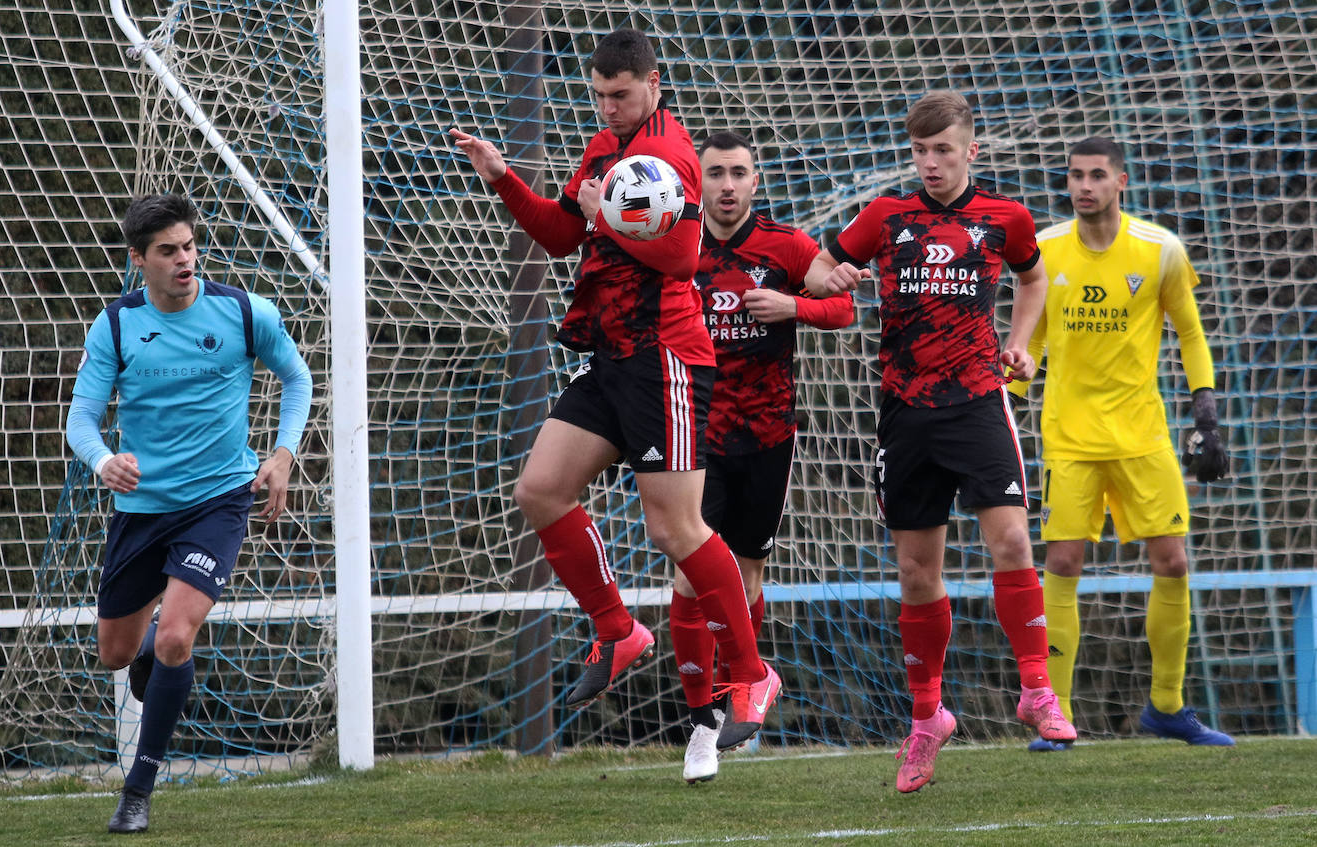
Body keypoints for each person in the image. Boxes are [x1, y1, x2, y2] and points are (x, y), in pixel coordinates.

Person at [449, 29, 780, 753]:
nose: (609, 108)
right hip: (609, 355)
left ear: (653, 84)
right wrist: (503, 177)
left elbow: (683, 253)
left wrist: (603, 213)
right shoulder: (604, 150)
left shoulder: (670, 156)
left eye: (620, 95)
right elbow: (561, 234)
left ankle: (753, 674)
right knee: (540, 488)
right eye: (598, 95)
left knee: (675, 530)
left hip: (665, 356)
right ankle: (616, 628)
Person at [806, 90, 1075, 793]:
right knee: (918, 572)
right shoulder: (885, 216)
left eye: (943, 150)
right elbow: (817, 269)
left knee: (1013, 541)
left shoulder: (1006, 218)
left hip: (980, 402)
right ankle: (928, 719)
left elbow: (1034, 275)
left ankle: (1037, 690)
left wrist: (1019, 345)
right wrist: (829, 276)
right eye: (921, 150)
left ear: (971, 150)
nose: (930, 162)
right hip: (906, 412)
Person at [66, 194, 312, 833]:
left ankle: (138, 790)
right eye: (168, 251)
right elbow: (82, 418)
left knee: (177, 636)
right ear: (138, 259)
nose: (184, 260)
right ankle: (146, 640)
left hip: (219, 501)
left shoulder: (242, 311)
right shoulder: (116, 325)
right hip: (141, 510)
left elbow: (298, 377)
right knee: (117, 655)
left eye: (189, 246)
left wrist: (283, 455)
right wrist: (102, 462)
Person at [1009, 136, 1233, 752]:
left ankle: (1167, 707)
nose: (1084, 186)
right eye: (1076, 175)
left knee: (1174, 562)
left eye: (1097, 175)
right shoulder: (1045, 251)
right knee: (1061, 565)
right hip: (1071, 438)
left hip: (1142, 436)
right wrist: (1009, 400)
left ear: (1120, 182)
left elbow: (1189, 333)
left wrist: (1205, 412)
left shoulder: (1160, 250)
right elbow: (1033, 339)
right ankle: (1055, 720)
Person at [675, 132, 855, 783]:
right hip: (692, 435)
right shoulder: (677, 242)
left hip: (769, 437)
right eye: (715, 172)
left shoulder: (786, 246)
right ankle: (702, 726)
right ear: (698, 181)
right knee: (692, 579)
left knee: (745, 576)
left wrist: (791, 306)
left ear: (756, 179)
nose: (727, 184)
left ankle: (744, 689)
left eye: (738, 172)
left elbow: (842, 309)